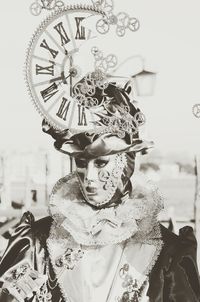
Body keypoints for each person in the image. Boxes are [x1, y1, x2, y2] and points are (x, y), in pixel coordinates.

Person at [0, 80, 199, 302]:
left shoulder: (168, 252)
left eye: (101, 163)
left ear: (127, 161)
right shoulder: (38, 243)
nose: (89, 177)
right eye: (82, 163)